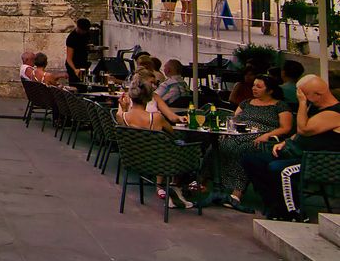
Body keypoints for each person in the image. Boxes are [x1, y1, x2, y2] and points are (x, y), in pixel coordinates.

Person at [243, 75, 340, 220]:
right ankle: (275, 205)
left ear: (318, 94)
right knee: (252, 160)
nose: (302, 97)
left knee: (280, 169)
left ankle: (294, 213)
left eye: (304, 94)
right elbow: (299, 134)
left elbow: (304, 129)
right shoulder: (315, 107)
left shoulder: (335, 112)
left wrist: (302, 104)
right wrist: (286, 142)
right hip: (298, 153)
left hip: (317, 162)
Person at [210, 75, 293, 213]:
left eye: (259, 86)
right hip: (238, 133)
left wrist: (266, 135)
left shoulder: (280, 105)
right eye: (254, 85)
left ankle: (237, 193)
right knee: (217, 145)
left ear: (270, 90)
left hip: (262, 138)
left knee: (244, 149)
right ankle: (211, 185)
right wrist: (226, 131)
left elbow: (286, 127)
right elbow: (234, 119)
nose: (254, 88)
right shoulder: (246, 102)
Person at [116, 76, 193, 208]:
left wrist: (123, 106)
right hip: (158, 161)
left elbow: (120, 112)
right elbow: (172, 134)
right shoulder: (156, 118)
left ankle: (171, 189)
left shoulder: (121, 116)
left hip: (133, 160)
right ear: (147, 98)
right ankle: (175, 188)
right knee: (183, 146)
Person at [64, 18, 92, 85]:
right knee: (76, 84)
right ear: (79, 28)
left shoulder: (86, 34)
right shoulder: (72, 38)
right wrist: (75, 69)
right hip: (74, 64)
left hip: (83, 62)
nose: (84, 32)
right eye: (83, 31)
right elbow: (69, 58)